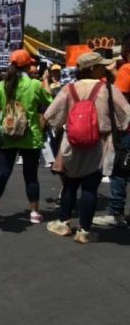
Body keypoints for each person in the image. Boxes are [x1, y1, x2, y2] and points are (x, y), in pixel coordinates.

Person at [45, 52, 130, 243]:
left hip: (72, 142)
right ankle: (84, 230)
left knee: (70, 184)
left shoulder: (69, 88)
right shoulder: (107, 89)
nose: (104, 68)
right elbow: (126, 115)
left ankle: (63, 222)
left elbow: (52, 116)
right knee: (90, 187)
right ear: (92, 69)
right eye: (101, 65)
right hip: (99, 144)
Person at [0, 50, 52, 224]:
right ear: (28, 65)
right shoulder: (34, 85)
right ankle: (34, 212)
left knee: (3, 172)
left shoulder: (1, 85)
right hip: (30, 136)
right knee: (30, 175)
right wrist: (45, 80)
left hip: (7, 134)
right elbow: (49, 101)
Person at [93, 33, 130, 228]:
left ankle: (116, 212)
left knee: (119, 170)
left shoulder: (126, 70)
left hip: (127, 130)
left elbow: (119, 99)